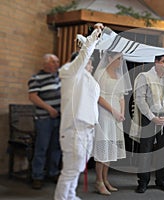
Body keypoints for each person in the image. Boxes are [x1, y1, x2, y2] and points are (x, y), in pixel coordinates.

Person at [53, 23, 103, 200]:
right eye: (88, 62)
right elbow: (84, 56)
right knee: (70, 170)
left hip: (87, 129)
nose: (90, 64)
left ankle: (70, 196)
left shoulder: (88, 79)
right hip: (74, 130)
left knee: (78, 168)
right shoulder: (70, 72)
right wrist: (94, 35)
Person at [131, 54, 164, 193]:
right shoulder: (144, 77)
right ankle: (143, 182)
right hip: (149, 118)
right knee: (145, 151)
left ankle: (161, 181)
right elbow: (140, 99)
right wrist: (152, 117)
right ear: (156, 62)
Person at [92, 50, 132, 195]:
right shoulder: (100, 73)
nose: (120, 62)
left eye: (122, 59)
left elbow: (121, 97)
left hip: (116, 116)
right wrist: (113, 111)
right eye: (118, 58)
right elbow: (98, 97)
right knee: (103, 147)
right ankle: (98, 181)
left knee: (110, 149)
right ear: (109, 58)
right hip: (104, 113)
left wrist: (121, 112)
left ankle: (105, 179)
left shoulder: (119, 76)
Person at [28, 53, 61, 189]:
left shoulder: (59, 77)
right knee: (41, 148)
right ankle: (37, 176)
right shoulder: (36, 78)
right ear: (45, 63)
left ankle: (53, 172)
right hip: (44, 119)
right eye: (54, 62)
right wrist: (49, 109)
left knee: (56, 148)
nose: (57, 64)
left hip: (58, 118)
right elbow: (33, 97)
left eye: (57, 62)